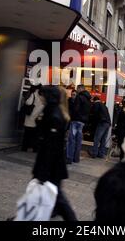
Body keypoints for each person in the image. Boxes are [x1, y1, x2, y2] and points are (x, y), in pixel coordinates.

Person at [32, 86, 77, 221]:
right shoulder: (51, 111)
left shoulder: (54, 114)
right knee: (49, 194)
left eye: (42, 95)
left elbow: (51, 146)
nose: (40, 98)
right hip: (50, 164)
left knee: (58, 197)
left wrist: (43, 170)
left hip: (51, 165)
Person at [66, 84, 91, 164]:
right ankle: (76, 158)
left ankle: (69, 158)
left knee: (71, 140)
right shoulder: (88, 99)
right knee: (78, 140)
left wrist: (71, 116)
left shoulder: (79, 97)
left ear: (80, 89)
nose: (76, 90)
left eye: (77, 89)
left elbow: (75, 109)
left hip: (76, 120)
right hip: (82, 122)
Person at [22, 84, 44, 152]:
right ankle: (35, 148)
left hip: (30, 116)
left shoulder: (34, 94)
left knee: (27, 134)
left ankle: (24, 148)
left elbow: (28, 103)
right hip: (38, 117)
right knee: (36, 134)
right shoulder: (43, 96)